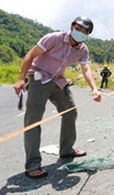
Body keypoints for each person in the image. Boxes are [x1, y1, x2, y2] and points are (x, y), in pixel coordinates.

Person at [13, 16, 101, 179]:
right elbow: (30, 55)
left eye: (85, 31)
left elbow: (86, 69)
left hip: (58, 80)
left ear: (88, 34)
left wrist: (94, 89)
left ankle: (66, 150)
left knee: (70, 112)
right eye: (78, 28)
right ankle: (32, 164)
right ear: (72, 26)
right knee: (34, 119)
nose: (81, 32)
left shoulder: (82, 50)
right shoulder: (54, 38)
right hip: (39, 77)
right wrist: (21, 78)